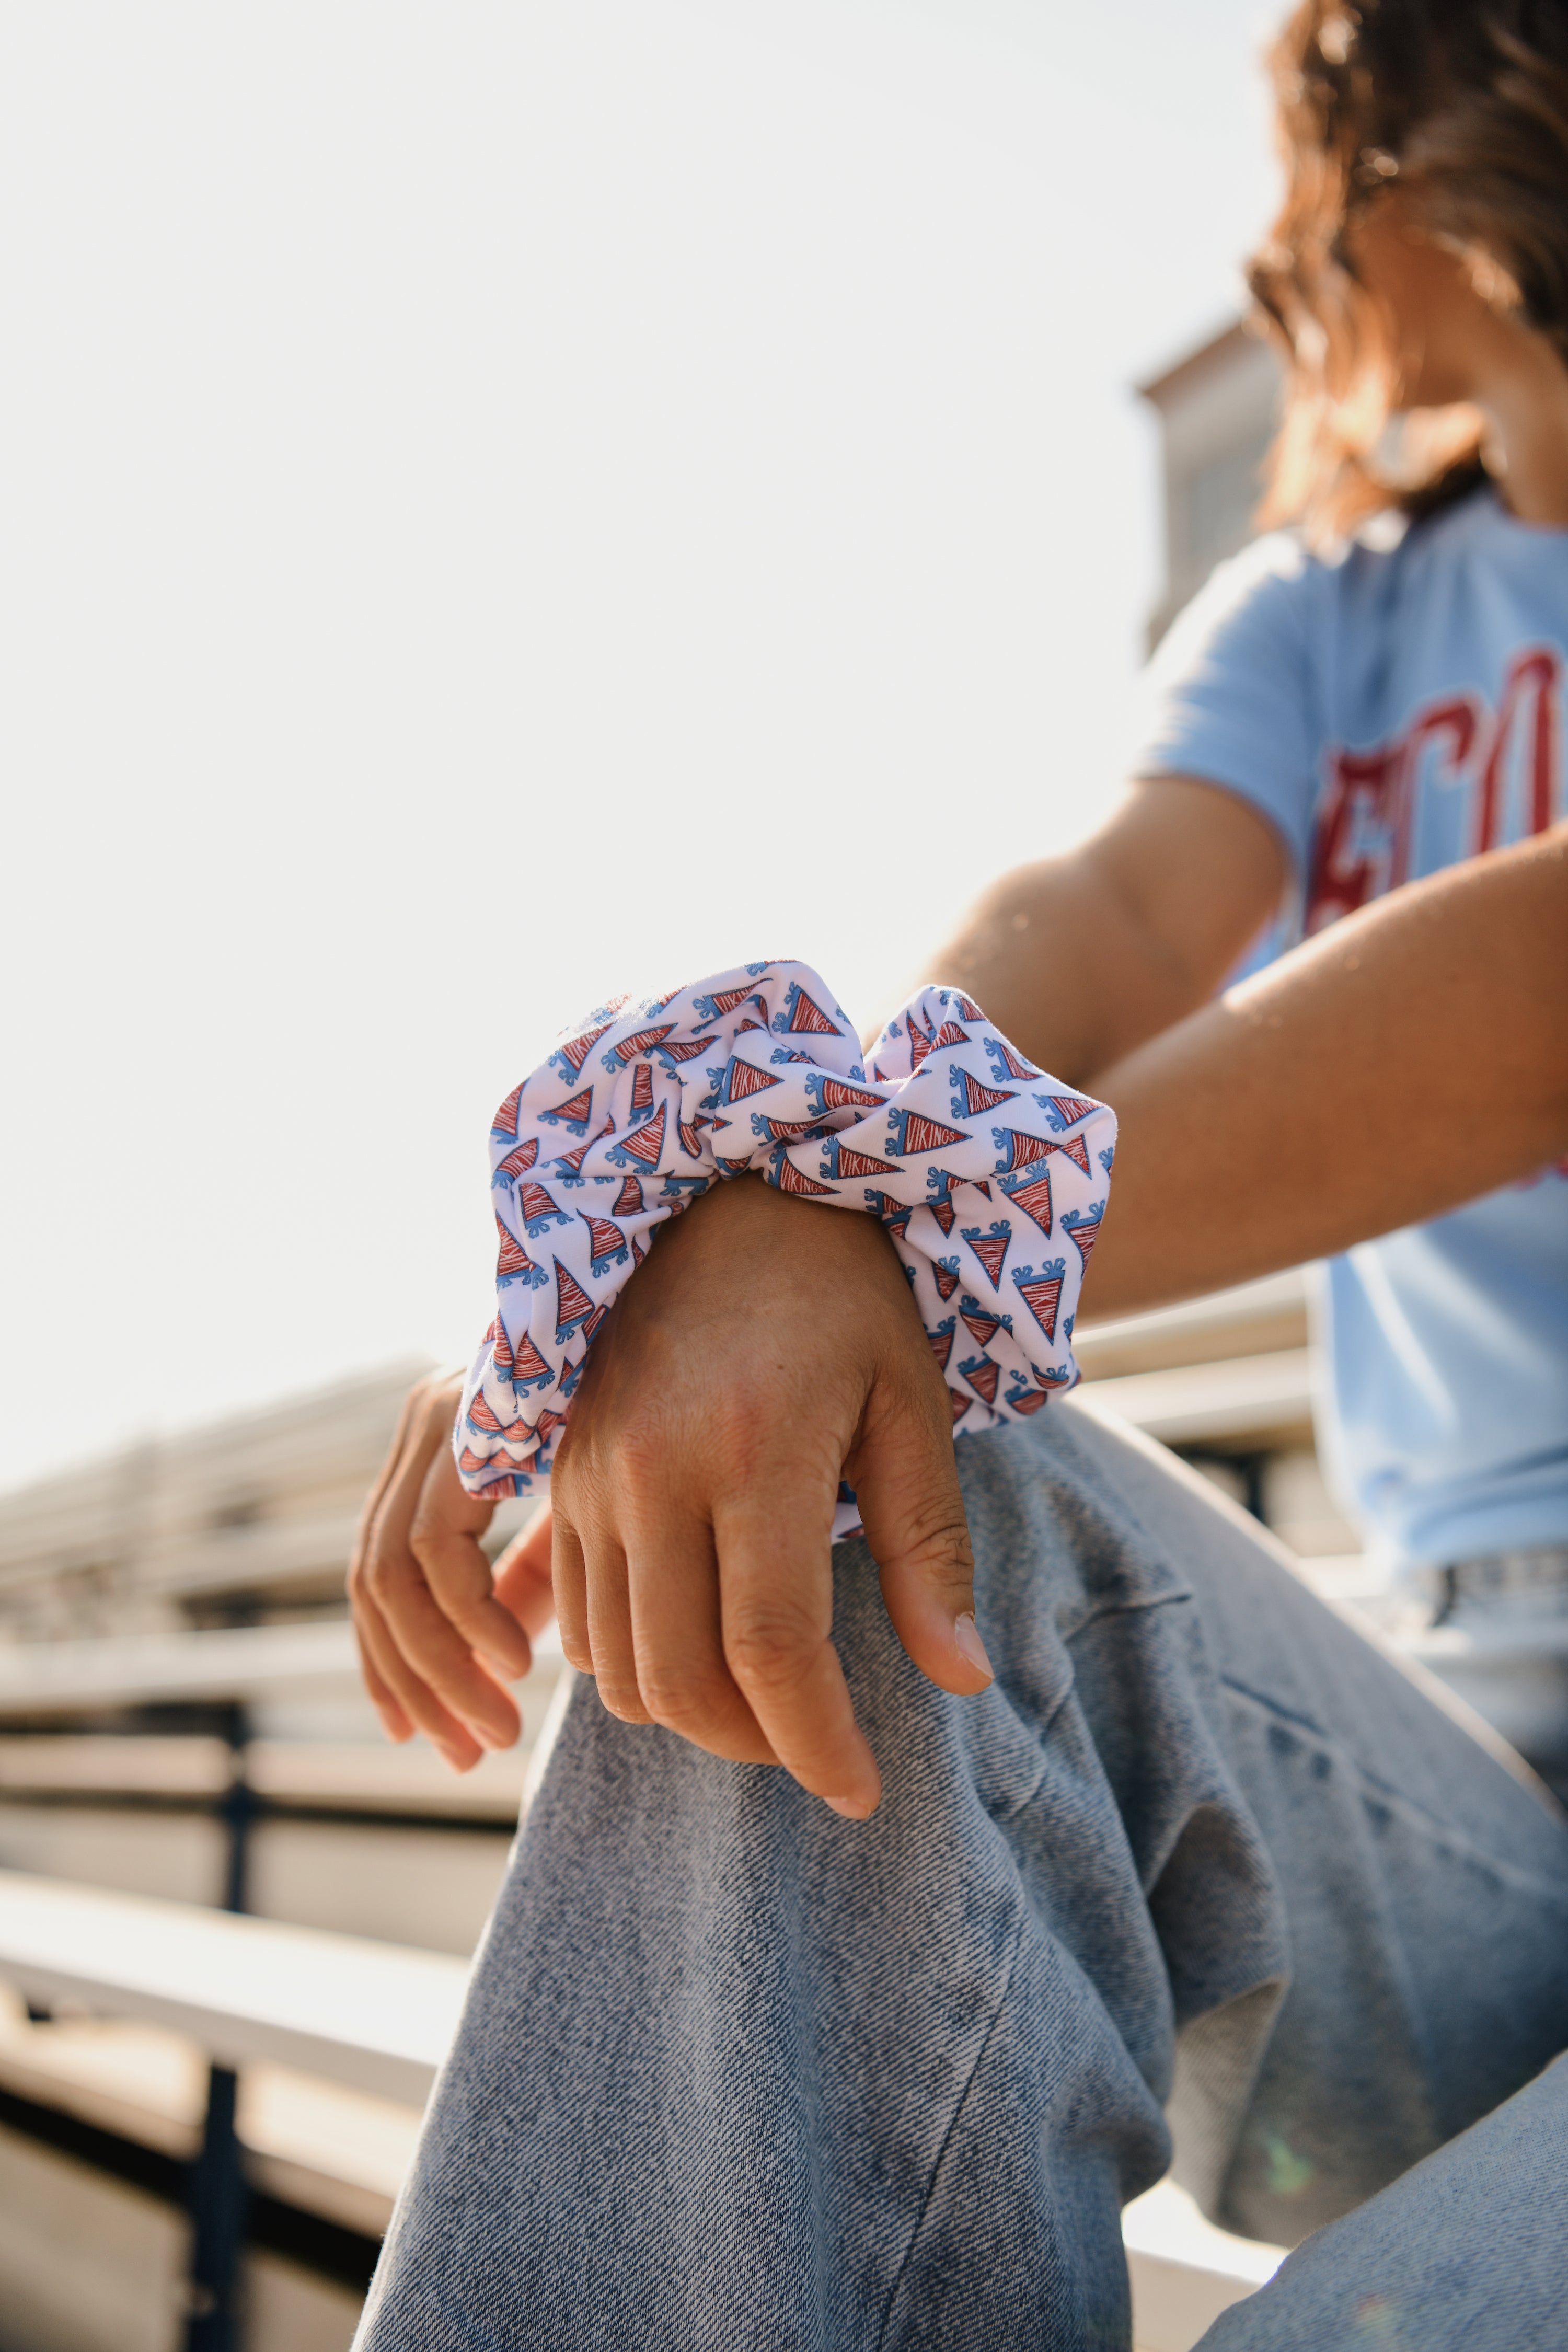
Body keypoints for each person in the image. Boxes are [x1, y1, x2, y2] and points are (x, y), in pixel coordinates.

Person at [348, 3, 1568, 2344]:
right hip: (1478, 1788)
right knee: (838, 1478)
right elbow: (1107, 919)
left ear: (1405, 180)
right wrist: (700, 1230)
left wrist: (868, 1206)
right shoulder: (1338, 607)